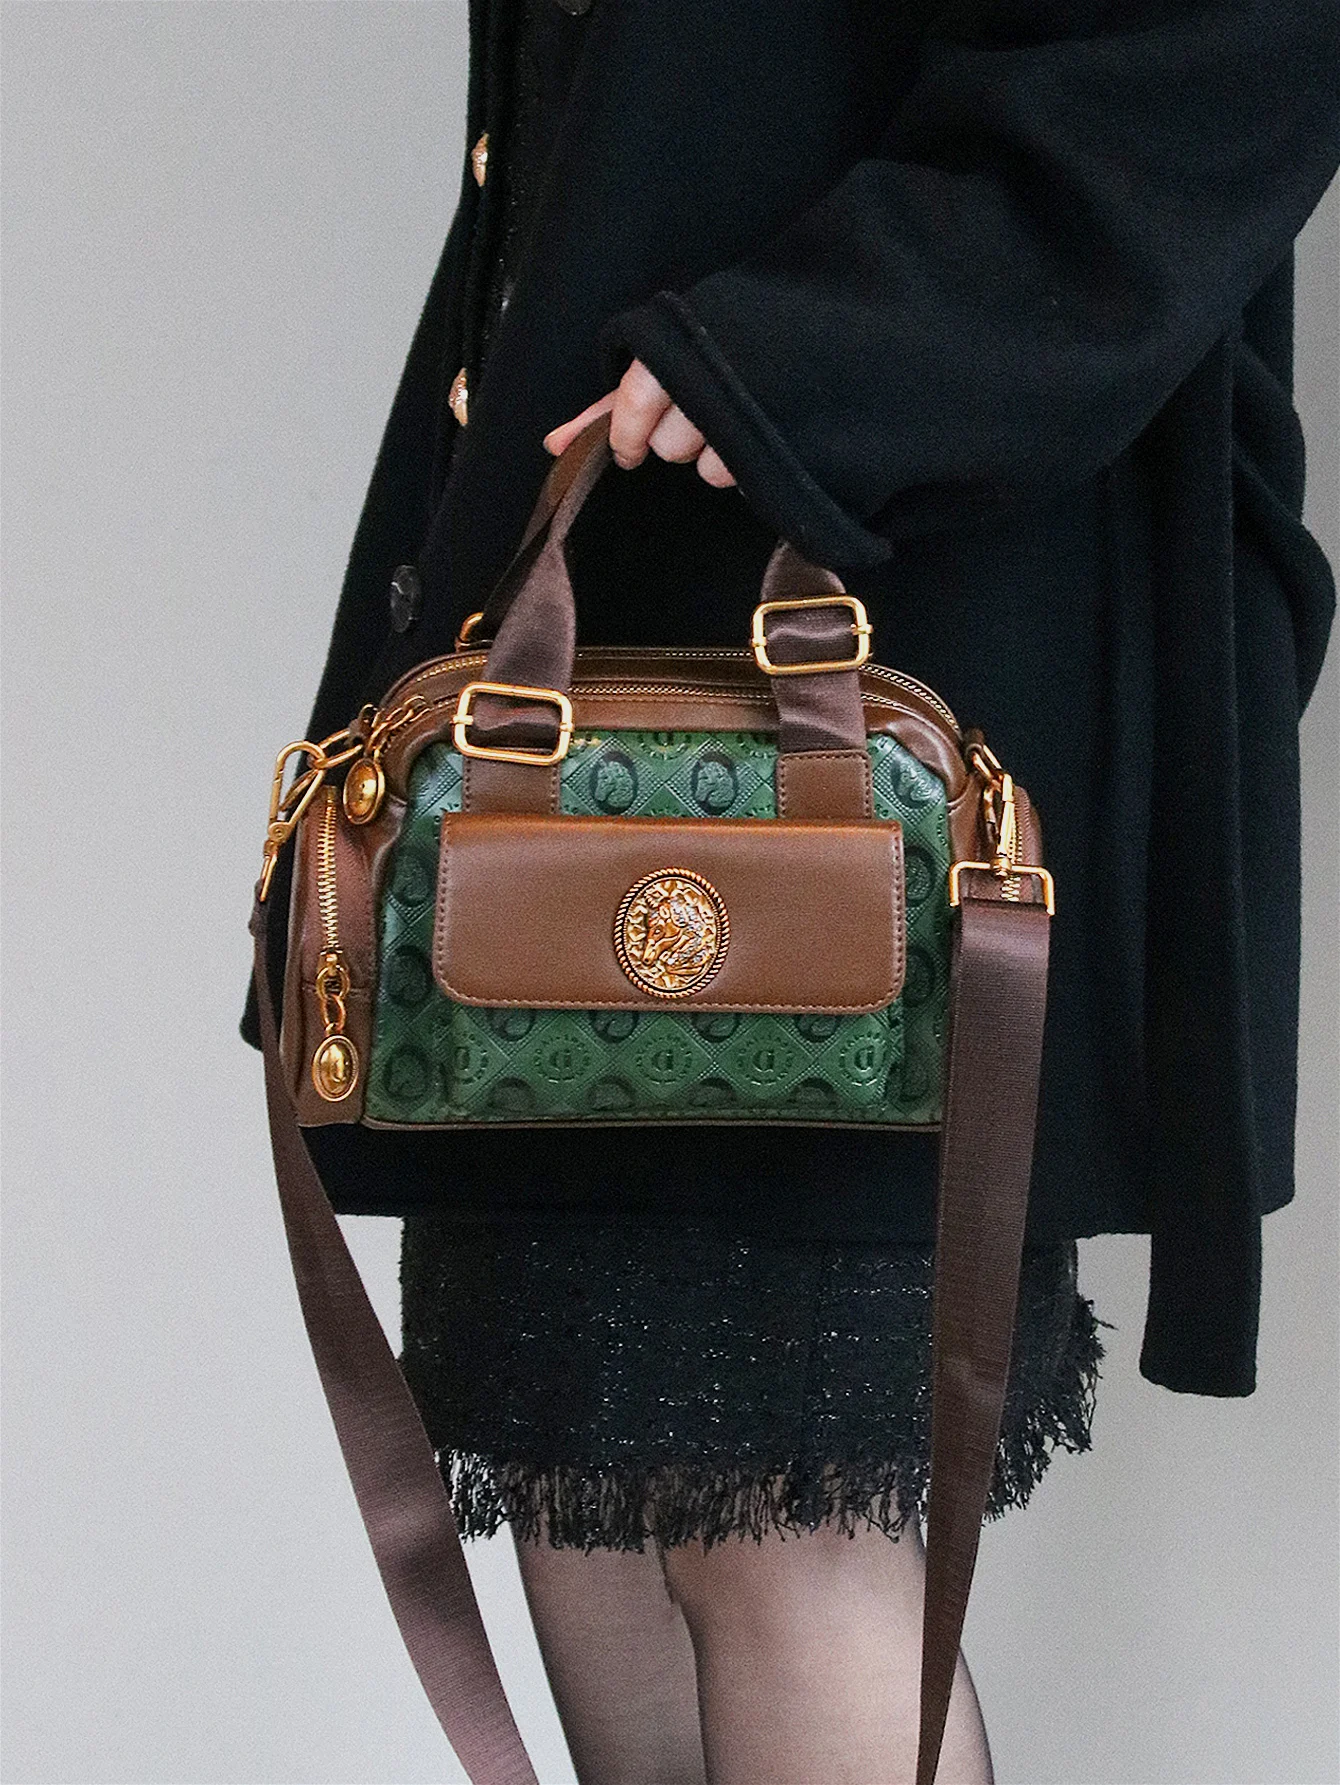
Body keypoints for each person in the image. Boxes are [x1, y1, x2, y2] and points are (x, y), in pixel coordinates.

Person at [242, 0, 1340, 1777]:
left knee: (788, 1533)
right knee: (591, 1496)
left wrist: (826, 343)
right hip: (564, 684)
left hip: (903, 626)